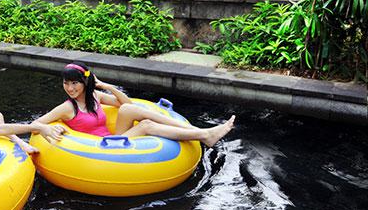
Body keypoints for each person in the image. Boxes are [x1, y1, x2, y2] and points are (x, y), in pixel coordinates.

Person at [32, 62, 235, 147]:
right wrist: (50, 126)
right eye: (66, 83)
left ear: (84, 83)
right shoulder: (67, 107)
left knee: (129, 110)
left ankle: (194, 130)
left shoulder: (95, 96)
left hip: (113, 138)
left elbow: (127, 105)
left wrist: (105, 86)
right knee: (146, 125)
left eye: (74, 83)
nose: (69, 88)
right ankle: (205, 135)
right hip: (100, 147)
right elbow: (37, 123)